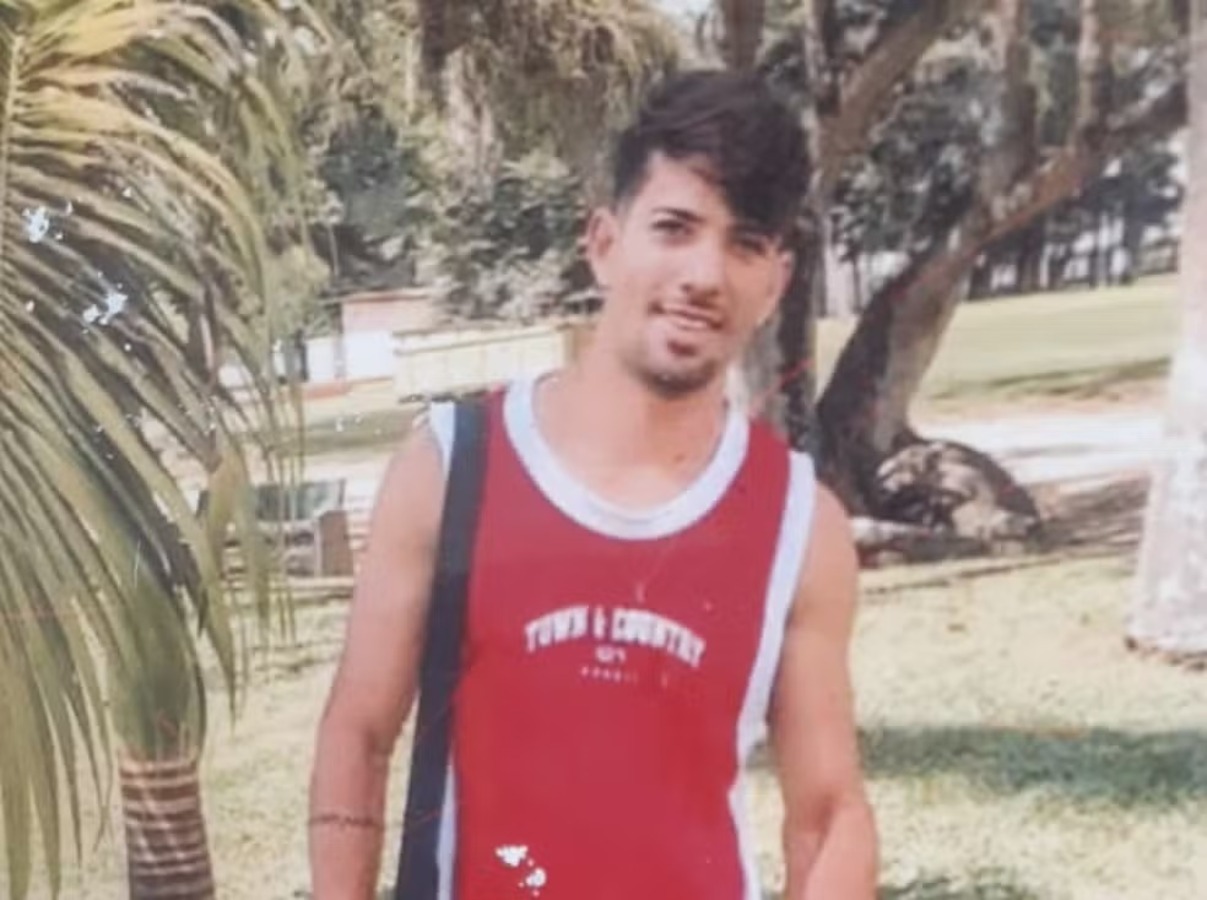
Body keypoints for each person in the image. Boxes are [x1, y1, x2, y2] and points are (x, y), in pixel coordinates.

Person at [308, 68, 878, 900]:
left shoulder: (798, 523)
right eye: (674, 228)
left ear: (774, 283)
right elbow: (356, 736)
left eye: (744, 243)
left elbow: (828, 815)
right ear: (604, 243)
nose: (704, 273)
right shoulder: (451, 466)